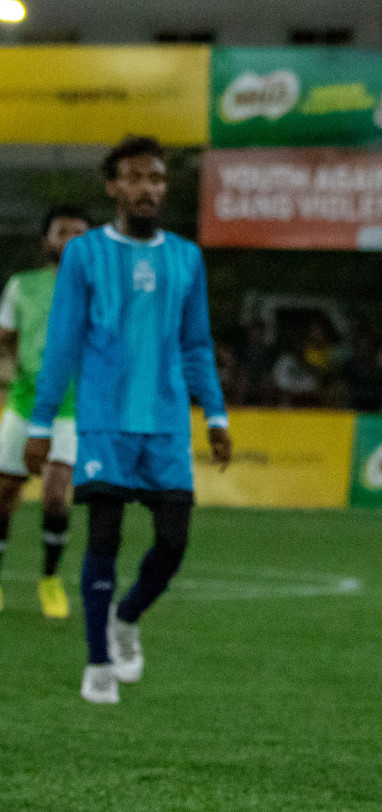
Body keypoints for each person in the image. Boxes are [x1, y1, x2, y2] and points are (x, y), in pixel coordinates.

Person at [23, 135, 232, 704]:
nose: (147, 188)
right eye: (135, 178)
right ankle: (97, 664)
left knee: (173, 543)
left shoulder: (186, 257)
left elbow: (195, 345)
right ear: (113, 187)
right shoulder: (85, 255)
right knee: (105, 538)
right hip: (104, 423)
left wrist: (214, 413)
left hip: (165, 425)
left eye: (157, 179)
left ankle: (127, 616)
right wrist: (41, 425)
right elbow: (63, 344)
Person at [0, 204, 91, 617]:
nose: (70, 238)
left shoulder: (99, 290)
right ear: (46, 240)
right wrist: (9, 371)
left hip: (70, 409)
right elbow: (6, 340)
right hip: (23, 403)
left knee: (57, 496)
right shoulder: (22, 286)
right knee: (5, 493)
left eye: (79, 232)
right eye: (62, 231)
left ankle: (50, 580)